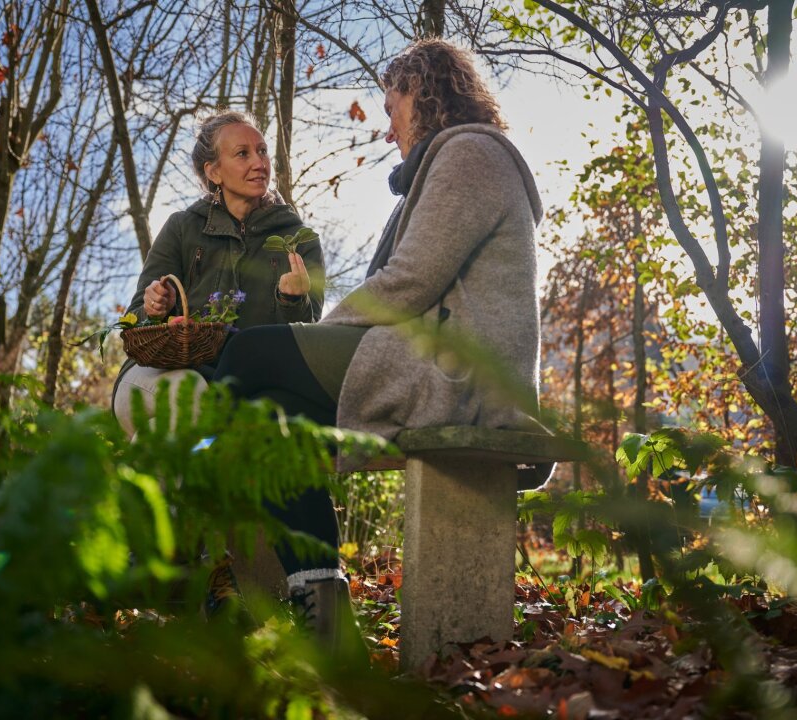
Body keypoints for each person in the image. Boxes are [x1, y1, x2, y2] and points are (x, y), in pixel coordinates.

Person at [212, 39, 544, 652]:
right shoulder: (454, 160)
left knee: (244, 354)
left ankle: (182, 516)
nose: (389, 130)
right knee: (271, 422)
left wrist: (321, 331)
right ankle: (327, 618)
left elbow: (410, 280)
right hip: (433, 359)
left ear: (423, 92)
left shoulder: (470, 155)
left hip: (456, 372)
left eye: (392, 109)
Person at [111, 110, 325, 439]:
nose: (260, 162)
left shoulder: (298, 241)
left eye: (263, 151)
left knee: (169, 433)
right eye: (243, 153)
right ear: (214, 171)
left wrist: (292, 301)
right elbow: (134, 322)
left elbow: (304, 345)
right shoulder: (183, 228)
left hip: (234, 399)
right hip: (154, 378)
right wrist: (155, 307)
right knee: (190, 393)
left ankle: (139, 488)